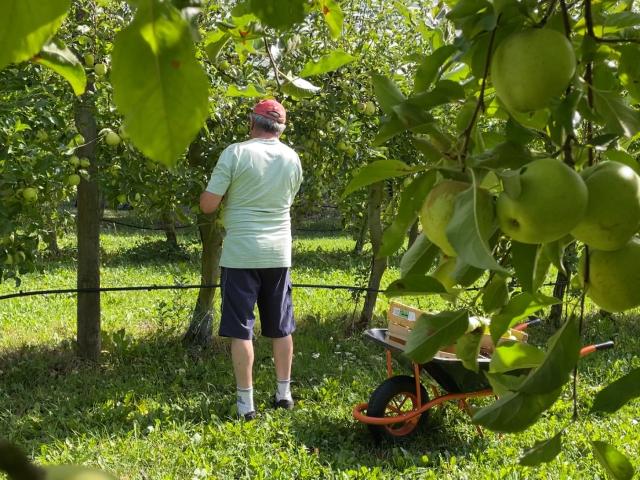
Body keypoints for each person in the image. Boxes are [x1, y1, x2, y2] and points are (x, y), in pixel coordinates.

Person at [200, 99, 303, 420]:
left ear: (252, 121)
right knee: (281, 327)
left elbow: (208, 205)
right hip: (278, 252)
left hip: (241, 253)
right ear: (281, 127)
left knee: (241, 330)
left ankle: (246, 405)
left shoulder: (236, 153)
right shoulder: (292, 158)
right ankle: (283, 394)